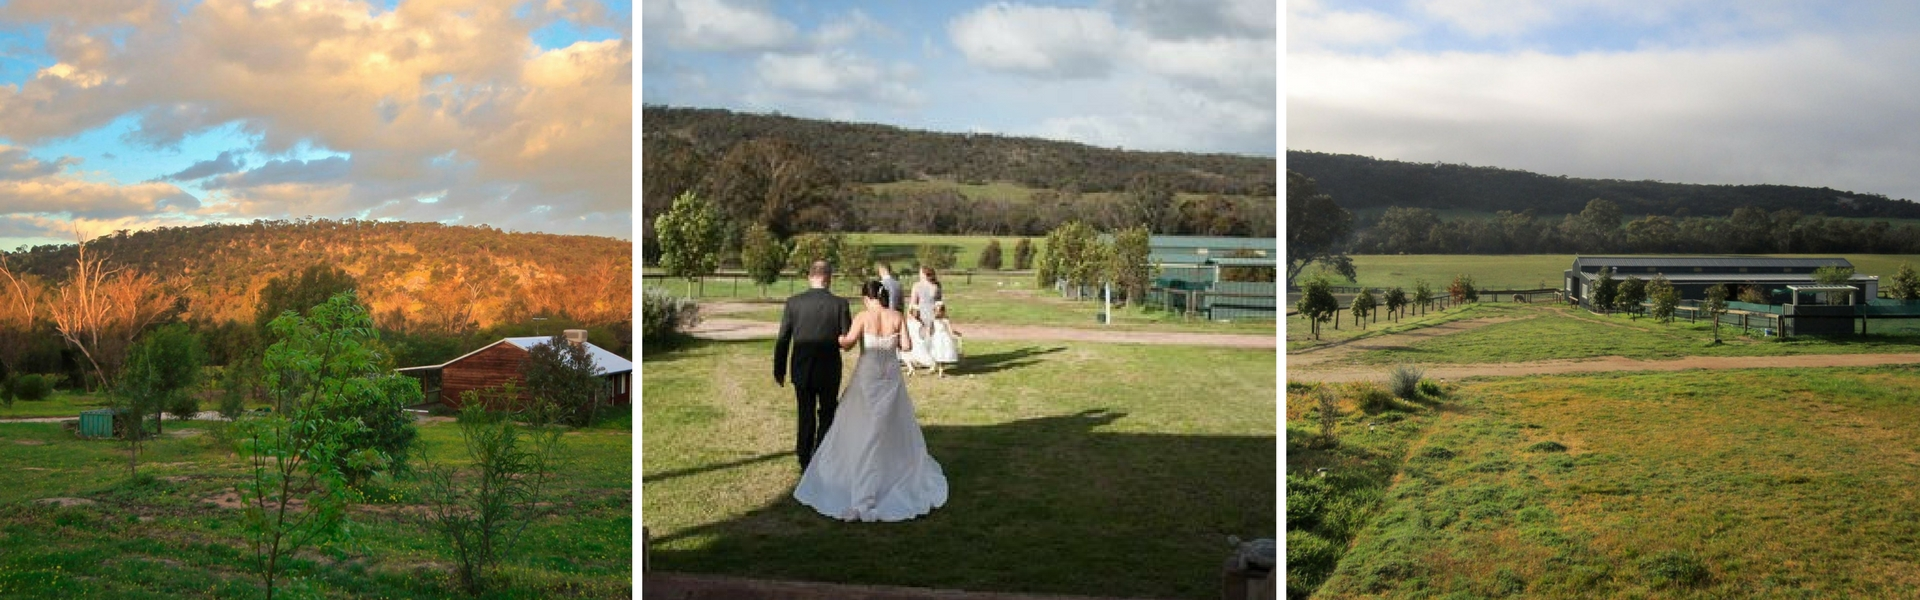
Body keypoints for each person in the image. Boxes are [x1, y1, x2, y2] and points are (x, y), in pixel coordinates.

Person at [794, 280, 948, 522]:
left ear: (867, 297)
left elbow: (847, 343)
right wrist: (893, 339)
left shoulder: (863, 317)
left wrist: (837, 337)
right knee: (889, 424)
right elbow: (906, 346)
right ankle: (888, 469)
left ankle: (857, 472)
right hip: (890, 376)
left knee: (860, 423)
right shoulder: (896, 315)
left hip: (868, 376)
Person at [773, 261, 853, 470]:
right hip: (829, 369)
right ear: (829, 278)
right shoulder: (840, 304)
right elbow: (846, 341)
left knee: (805, 413)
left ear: (810, 277)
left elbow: (783, 339)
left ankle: (804, 457)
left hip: (802, 368)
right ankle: (822, 454)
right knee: (827, 412)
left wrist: (779, 369)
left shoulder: (793, 303)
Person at [929, 302, 962, 368]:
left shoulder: (945, 320)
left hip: (942, 338)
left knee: (941, 354)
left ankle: (940, 370)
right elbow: (931, 330)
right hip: (937, 337)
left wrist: (956, 333)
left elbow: (950, 330)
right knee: (937, 352)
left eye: (940, 311)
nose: (938, 312)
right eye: (937, 311)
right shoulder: (934, 320)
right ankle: (934, 367)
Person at [909, 266, 942, 330]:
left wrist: (910, 316)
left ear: (924, 275)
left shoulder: (917, 286)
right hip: (934, 315)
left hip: (920, 316)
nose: (919, 275)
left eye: (920, 273)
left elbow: (913, 304)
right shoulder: (937, 286)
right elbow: (939, 303)